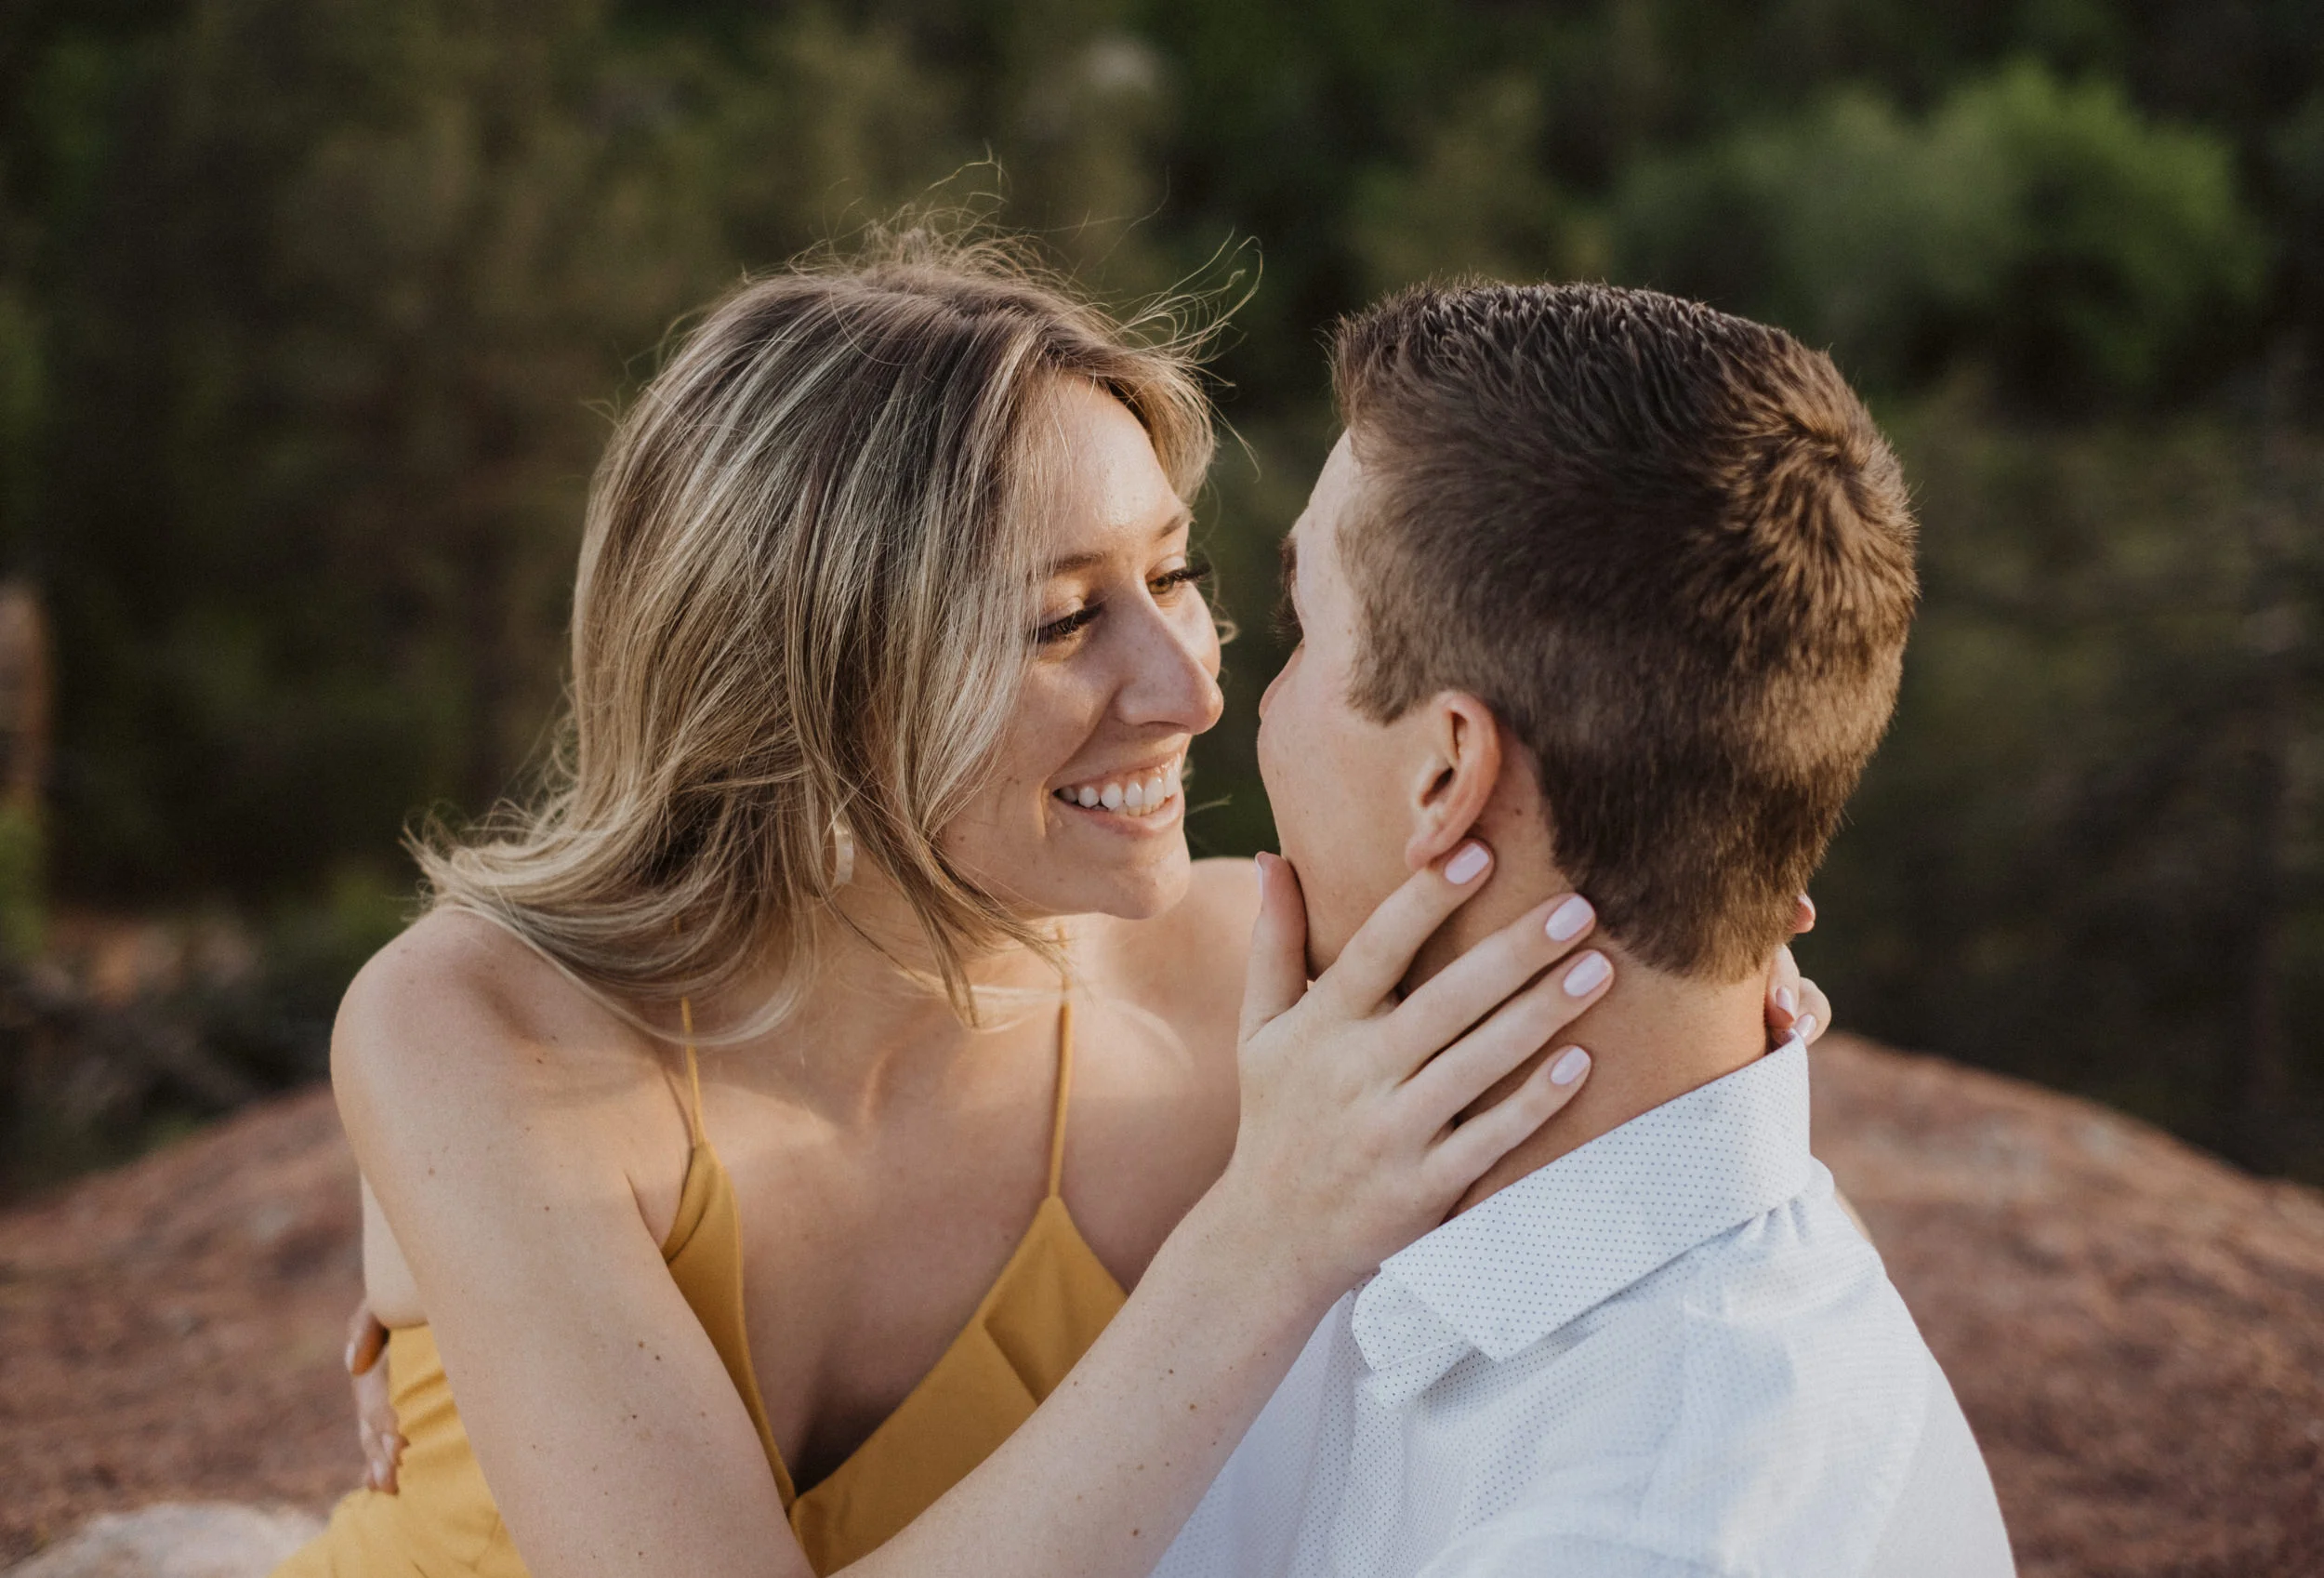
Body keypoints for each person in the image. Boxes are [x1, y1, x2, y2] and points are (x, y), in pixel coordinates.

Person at [284, 234, 1828, 1578]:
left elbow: (1633, 950)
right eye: (1066, 619)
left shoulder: (1260, 984)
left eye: (1177, 575)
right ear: (797, 688)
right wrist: (1266, 1236)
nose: (1189, 686)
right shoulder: (482, 1034)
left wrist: (1734, 956)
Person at [1152, 281, 2014, 1577]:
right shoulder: (1370, 1183)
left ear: (1447, 774)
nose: (1237, 712)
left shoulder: (1662, 1529)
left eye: (1297, 633)